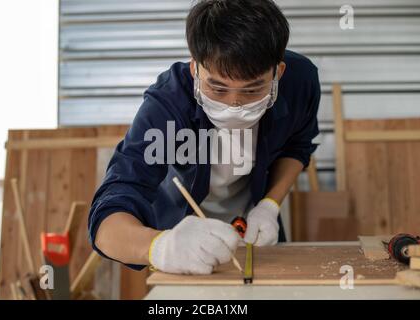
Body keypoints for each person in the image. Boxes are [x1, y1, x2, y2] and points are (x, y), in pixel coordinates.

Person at [88, 0, 320, 275]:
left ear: (278, 73)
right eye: (218, 88)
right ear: (195, 69)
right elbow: (108, 217)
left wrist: (270, 205)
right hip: (183, 238)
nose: (234, 104)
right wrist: (161, 247)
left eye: (252, 90)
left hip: (255, 232)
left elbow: (297, 147)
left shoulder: (300, 82)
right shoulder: (167, 105)